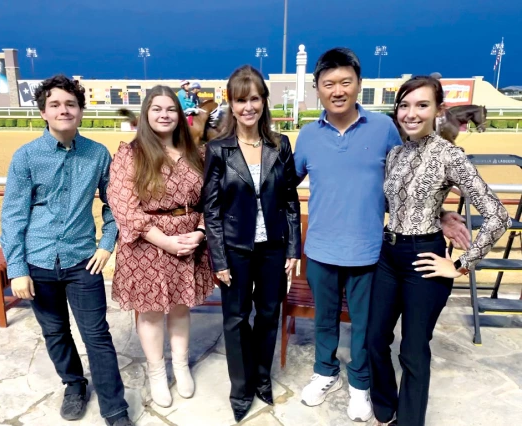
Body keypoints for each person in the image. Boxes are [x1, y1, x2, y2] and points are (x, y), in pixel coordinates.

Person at [293, 48, 471, 422]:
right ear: (317, 89)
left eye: (346, 82)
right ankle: (325, 373)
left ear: (358, 85)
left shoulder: (384, 129)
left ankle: (360, 384)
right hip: (322, 249)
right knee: (323, 320)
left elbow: (406, 184)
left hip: (370, 252)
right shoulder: (308, 136)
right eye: (329, 84)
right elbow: (281, 190)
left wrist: (440, 215)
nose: (337, 90)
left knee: (366, 327)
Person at [367, 75, 511, 426]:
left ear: (438, 110)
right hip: (387, 255)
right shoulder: (396, 154)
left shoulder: (450, 155)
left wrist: (461, 264)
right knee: (374, 340)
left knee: (413, 352)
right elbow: (396, 202)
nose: (411, 113)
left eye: (421, 105)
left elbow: (498, 214)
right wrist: (444, 212)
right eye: (404, 105)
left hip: (424, 259)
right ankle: (385, 408)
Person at [0, 75, 133, 426]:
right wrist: (17, 269)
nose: (64, 110)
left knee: (96, 334)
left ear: (80, 111)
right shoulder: (26, 157)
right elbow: (13, 215)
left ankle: (115, 408)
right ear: (43, 112)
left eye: (70, 104)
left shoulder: (97, 154)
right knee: (55, 332)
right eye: (55, 104)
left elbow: (114, 206)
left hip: (82, 262)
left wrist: (107, 244)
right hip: (37, 261)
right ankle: (74, 385)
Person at [202, 65, 301, 423]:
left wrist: (292, 251)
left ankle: (262, 378)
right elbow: (210, 208)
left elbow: (290, 200)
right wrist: (219, 258)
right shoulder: (218, 149)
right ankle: (240, 387)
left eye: (254, 99)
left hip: (273, 247)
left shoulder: (280, 145)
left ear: (264, 101)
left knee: (269, 315)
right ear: (231, 103)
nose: (248, 107)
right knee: (235, 318)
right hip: (235, 248)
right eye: (241, 100)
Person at [106, 85, 214, 409]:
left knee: (181, 306)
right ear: (146, 114)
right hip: (147, 244)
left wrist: (200, 232)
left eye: (170, 109)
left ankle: (180, 364)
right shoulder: (131, 153)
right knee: (151, 312)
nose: (164, 115)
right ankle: (156, 371)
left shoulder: (198, 153)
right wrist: (164, 241)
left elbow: (213, 200)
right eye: (157, 109)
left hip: (189, 240)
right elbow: (122, 204)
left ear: (179, 115)